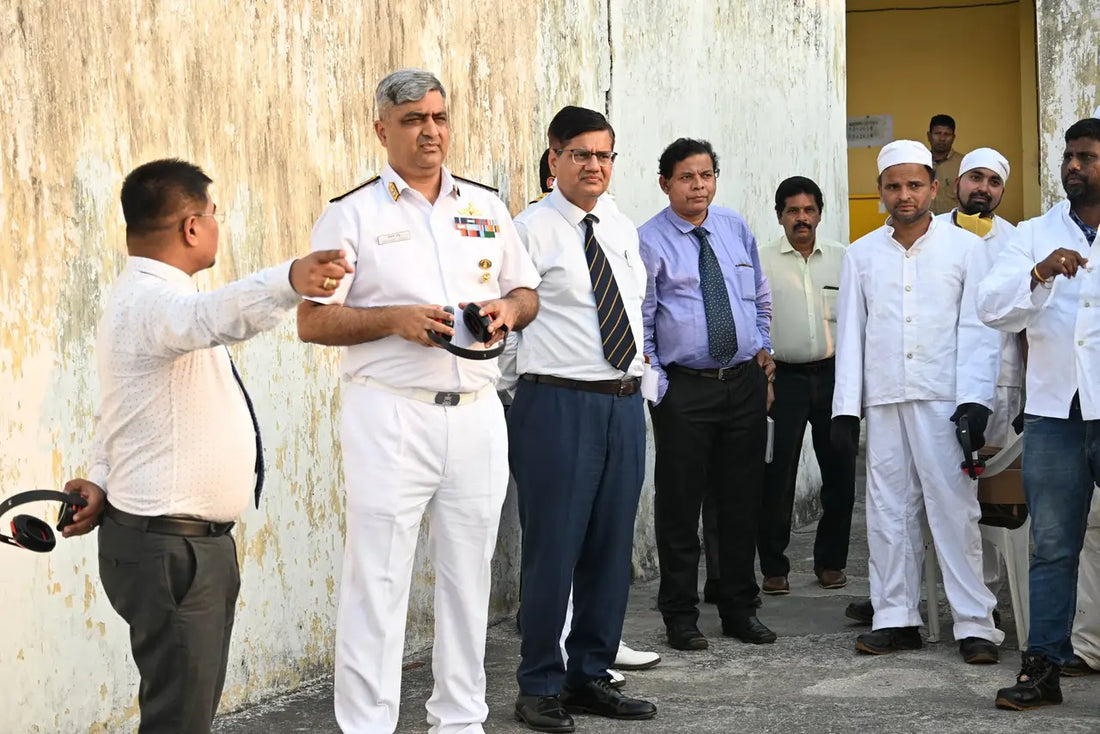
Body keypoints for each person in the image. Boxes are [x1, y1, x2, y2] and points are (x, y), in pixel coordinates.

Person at [61, 158, 352, 733]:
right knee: (179, 720)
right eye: (215, 215)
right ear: (193, 226)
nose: (219, 226)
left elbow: (124, 407)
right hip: (171, 550)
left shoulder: (142, 300)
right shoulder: (156, 303)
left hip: (180, 547)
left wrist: (99, 473)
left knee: (184, 712)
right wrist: (289, 279)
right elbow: (208, 317)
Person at [296, 68, 541, 733]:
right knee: (377, 580)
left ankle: (460, 720)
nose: (429, 131)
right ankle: (368, 726)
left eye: (437, 117)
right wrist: (392, 318)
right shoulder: (352, 214)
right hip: (390, 411)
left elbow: (527, 292)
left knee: (469, 580)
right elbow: (312, 320)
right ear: (383, 130)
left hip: (477, 411)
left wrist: (507, 311)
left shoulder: (486, 207)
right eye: (412, 120)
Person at [508, 105, 657, 733]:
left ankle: (589, 674)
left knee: (608, 548)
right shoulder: (527, 229)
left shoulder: (620, 226)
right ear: (554, 158)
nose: (593, 166)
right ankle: (539, 683)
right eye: (580, 155)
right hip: (558, 404)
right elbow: (508, 325)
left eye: (604, 155)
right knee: (554, 549)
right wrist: (524, 398)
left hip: (624, 402)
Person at [832, 140, 1003, 664]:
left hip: (942, 400)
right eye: (892, 186)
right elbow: (852, 336)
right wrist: (845, 408)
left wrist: (975, 400)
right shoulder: (860, 255)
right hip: (884, 399)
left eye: (913, 185)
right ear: (880, 191)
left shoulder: (967, 250)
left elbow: (978, 330)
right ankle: (896, 617)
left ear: (934, 187)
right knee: (887, 511)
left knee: (954, 510)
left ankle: (974, 623)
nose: (903, 195)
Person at [977, 115, 1100, 709]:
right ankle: (1042, 670)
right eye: (1068, 157)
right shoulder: (1031, 233)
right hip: (1055, 411)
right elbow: (992, 308)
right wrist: (1038, 272)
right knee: (1052, 546)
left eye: (1087, 157)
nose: (1074, 167)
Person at [639, 137, 777, 652]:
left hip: (741, 384)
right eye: (686, 177)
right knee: (680, 507)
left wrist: (761, 351)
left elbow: (759, 297)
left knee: (742, 502)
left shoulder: (735, 227)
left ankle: (740, 609)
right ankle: (680, 615)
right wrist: (663, 389)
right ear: (665, 184)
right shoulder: (649, 241)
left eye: (706, 175)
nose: (698, 186)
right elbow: (643, 320)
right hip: (686, 391)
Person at [757, 176, 855, 595]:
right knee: (777, 476)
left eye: (809, 210)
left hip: (833, 378)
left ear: (820, 213)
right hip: (784, 380)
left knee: (840, 473)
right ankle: (774, 567)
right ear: (780, 215)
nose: (802, 218)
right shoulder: (761, 261)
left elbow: (857, 320)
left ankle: (830, 563)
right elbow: (754, 320)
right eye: (793, 211)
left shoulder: (843, 259)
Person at [929, 114, 964, 215]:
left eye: (947, 134)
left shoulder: (963, 164)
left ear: (953, 137)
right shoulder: (920, 162)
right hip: (924, 225)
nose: (942, 138)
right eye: (937, 133)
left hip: (954, 225)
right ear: (929, 136)